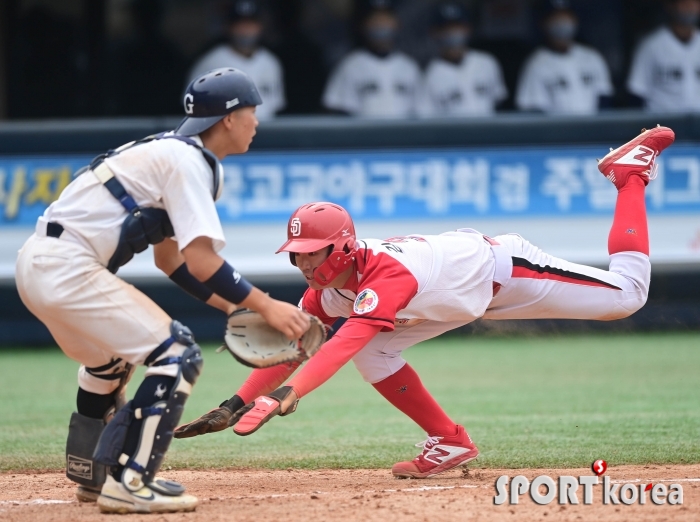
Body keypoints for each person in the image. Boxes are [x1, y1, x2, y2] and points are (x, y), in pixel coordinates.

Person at [176, 126, 675, 478]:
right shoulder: (326, 293)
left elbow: (340, 345)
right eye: (298, 255)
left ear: (344, 246)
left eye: (313, 252)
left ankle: (629, 176)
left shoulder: (384, 274)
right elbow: (297, 347)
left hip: (504, 272)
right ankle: (451, 440)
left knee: (628, 297)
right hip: (453, 299)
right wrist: (235, 402)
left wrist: (289, 394)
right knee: (373, 349)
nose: (305, 265)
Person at [15, 68, 310, 513]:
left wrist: (233, 307)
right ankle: (130, 480)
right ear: (228, 119)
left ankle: (94, 476)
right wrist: (265, 305)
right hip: (68, 267)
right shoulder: (189, 162)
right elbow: (203, 261)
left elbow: (170, 260)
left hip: (38, 265)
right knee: (178, 354)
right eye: (252, 111)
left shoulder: (172, 154)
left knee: (110, 361)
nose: (256, 122)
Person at [321, 0, 421, 118]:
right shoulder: (350, 65)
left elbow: (422, 113)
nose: (381, 24)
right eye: (375, 19)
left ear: (396, 23)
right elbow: (337, 111)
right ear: (363, 24)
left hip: (405, 135)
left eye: (385, 18)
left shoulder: (409, 67)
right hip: (363, 135)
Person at [188, 0, 285, 120]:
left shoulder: (270, 62)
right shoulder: (210, 62)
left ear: (260, 27)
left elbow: (274, 107)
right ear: (228, 27)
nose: (246, 30)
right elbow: (193, 108)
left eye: (250, 24)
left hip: (264, 132)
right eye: (240, 24)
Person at [515, 0, 613, 115]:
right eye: (555, 17)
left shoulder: (592, 57)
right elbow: (533, 112)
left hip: (592, 131)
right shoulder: (536, 63)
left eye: (565, 16)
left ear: (575, 20)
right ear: (544, 23)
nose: (562, 22)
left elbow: (605, 101)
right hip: (555, 131)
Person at [420, 2, 507, 118]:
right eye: (446, 28)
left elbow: (499, 103)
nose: (453, 33)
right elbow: (428, 121)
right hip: (453, 135)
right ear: (435, 33)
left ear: (468, 29)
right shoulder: (430, 75)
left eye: (458, 26)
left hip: (489, 133)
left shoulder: (487, 62)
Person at [627, 0, 700, 113]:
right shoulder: (651, 45)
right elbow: (637, 93)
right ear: (670, 6)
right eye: (684, 2)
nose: (689, 7)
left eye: (694, 2)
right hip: (663, 123)